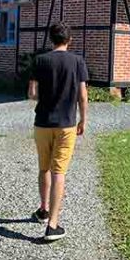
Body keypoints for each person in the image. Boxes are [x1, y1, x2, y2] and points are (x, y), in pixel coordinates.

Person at [28, 22, 88, 241]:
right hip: (66, 125)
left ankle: (43, 210)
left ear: (51, 40)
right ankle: (53, 225)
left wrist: (45, 93)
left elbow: (32, 93)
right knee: (58, 172)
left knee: (44, 168)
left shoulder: (40, 60)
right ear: (69, 40)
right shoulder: (77, 62)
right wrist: (83, 119)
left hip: (42, 123)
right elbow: (83, 95)